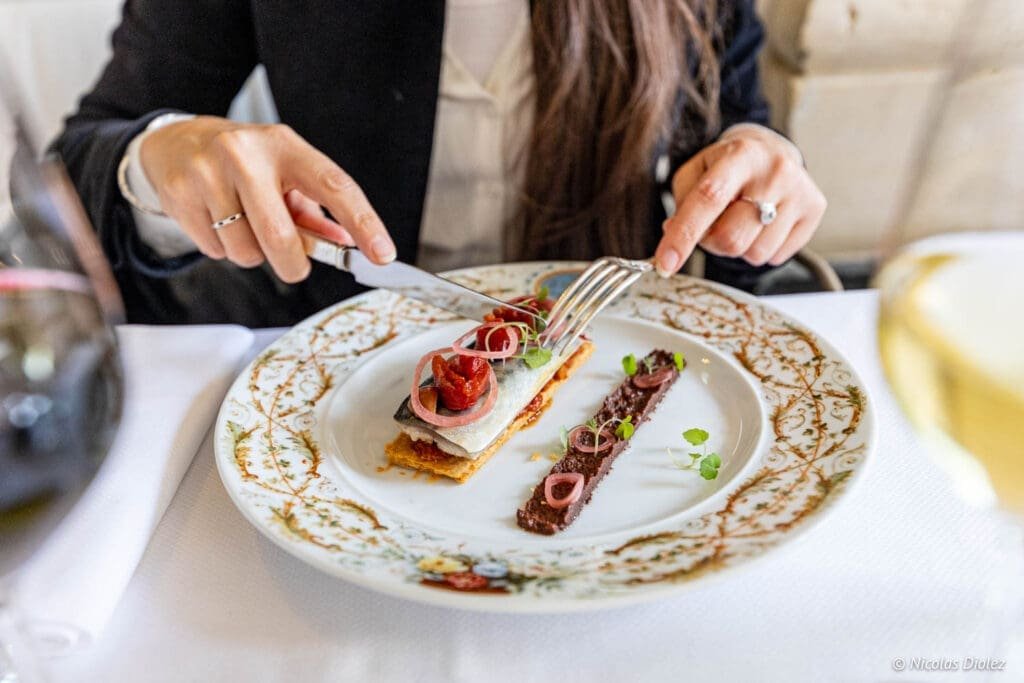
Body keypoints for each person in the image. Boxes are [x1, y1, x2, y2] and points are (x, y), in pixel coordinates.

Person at [53, 0, 826, 327]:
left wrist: (758, 195)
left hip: (602, 360)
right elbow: (82, 167)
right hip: (329, 350)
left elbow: (734, 148)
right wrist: (158, 160)